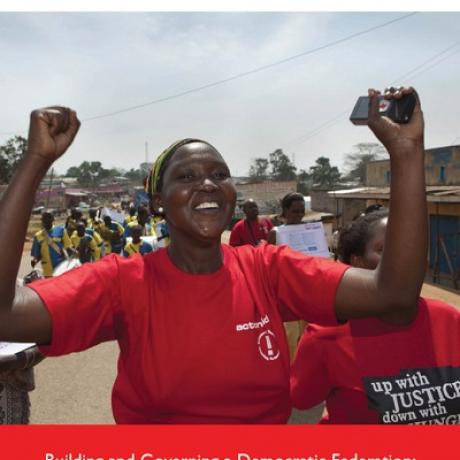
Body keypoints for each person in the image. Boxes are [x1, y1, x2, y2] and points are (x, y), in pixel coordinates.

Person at [0, 87, 428, 423]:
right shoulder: (122, 282)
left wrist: (406, 153)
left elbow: (394, 294)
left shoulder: (268, 269)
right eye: (186, 177)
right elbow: (7, 315)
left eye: (219, 174)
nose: (207, 184)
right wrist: (35, 162)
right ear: (157, 203)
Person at [291, 209, 460, 424]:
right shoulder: (326, 336)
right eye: (384, 249)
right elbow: (302, 399)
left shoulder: (449, 319)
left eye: (412, 246)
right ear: (358, 262)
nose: (404, 257)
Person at [268, 192, 307, 361]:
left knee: (307, 336)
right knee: (290, 337)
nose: (299, 215)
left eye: (302, 211)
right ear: (285, 211)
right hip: (286, 294)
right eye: (295, 211)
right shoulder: (276, 233)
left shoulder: (310, 231)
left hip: (307, 292)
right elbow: (268, 264)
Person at [31, 211, 72, 277]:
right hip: (47, 271)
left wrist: (71, 261)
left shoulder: (61, 231)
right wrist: (35, 261)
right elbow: (38, 255)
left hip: (61, 268)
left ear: (52, 220)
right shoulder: (38, 236)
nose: (46, 221)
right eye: (44, 220)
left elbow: (68, 248)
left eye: (48, 219)